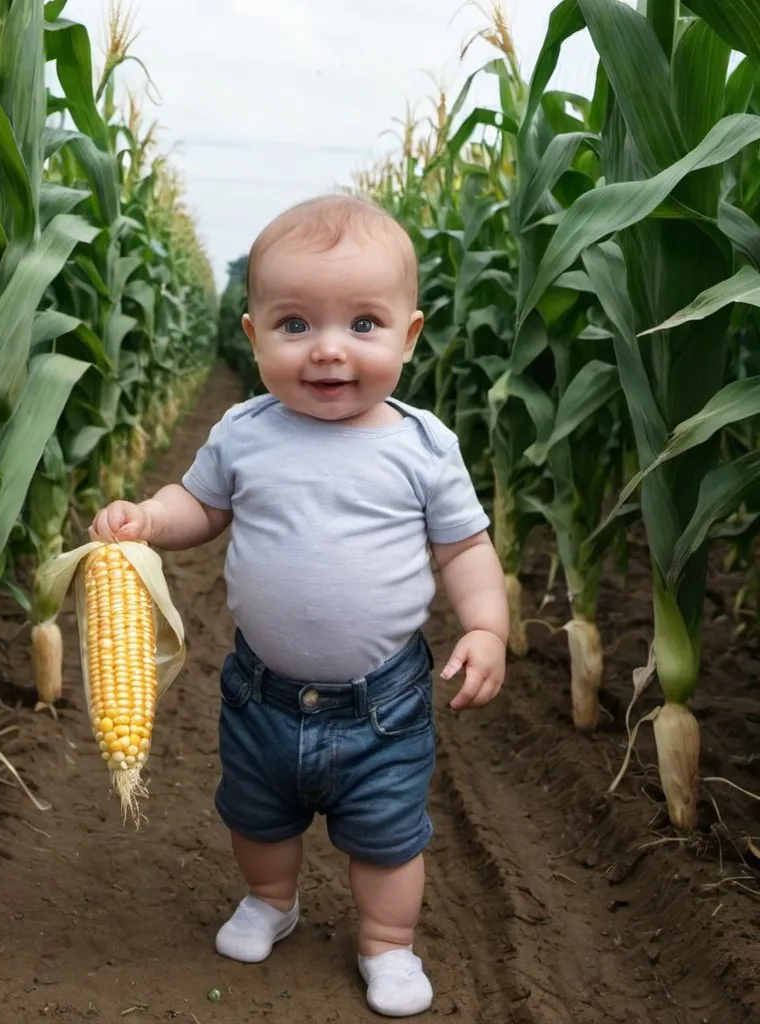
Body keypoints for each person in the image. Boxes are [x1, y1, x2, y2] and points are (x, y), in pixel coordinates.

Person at [90, 194, 508, 1018]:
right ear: (252, 337)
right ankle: (272, 901)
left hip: (381, 706)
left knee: (388, 840)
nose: (327, 351)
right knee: (257, 818)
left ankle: (388, 944)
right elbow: (201, 507)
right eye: (293, 325)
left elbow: (464, 547)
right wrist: (147, 519)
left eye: (362, 325)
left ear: (409, 335)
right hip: (262, 694)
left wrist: (487, 624)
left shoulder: (423, 448)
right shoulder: (245, 432)